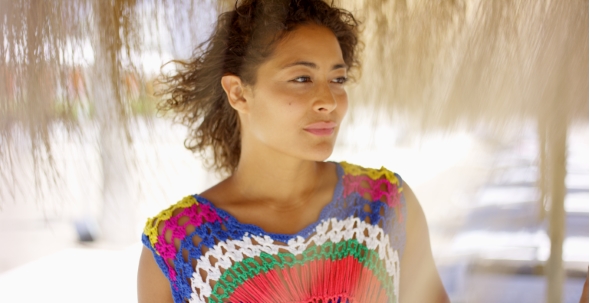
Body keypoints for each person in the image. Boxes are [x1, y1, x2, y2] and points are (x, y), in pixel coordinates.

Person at [137, 0, 449, 302]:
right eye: (302, 78)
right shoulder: (178, 246)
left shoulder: (385, 205)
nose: (328, 99)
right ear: (238, 92)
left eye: (337, 79)